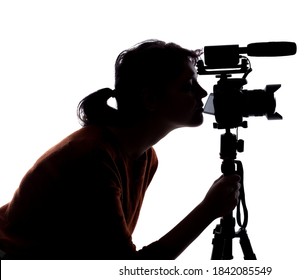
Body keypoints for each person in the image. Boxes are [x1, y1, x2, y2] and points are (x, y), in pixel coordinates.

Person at [0, 39, 241, 259]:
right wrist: (208, 210)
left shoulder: (145, 156)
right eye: (188, 85)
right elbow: (125, 268)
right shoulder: (94, 157)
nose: (202, 93)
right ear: (150, 100)